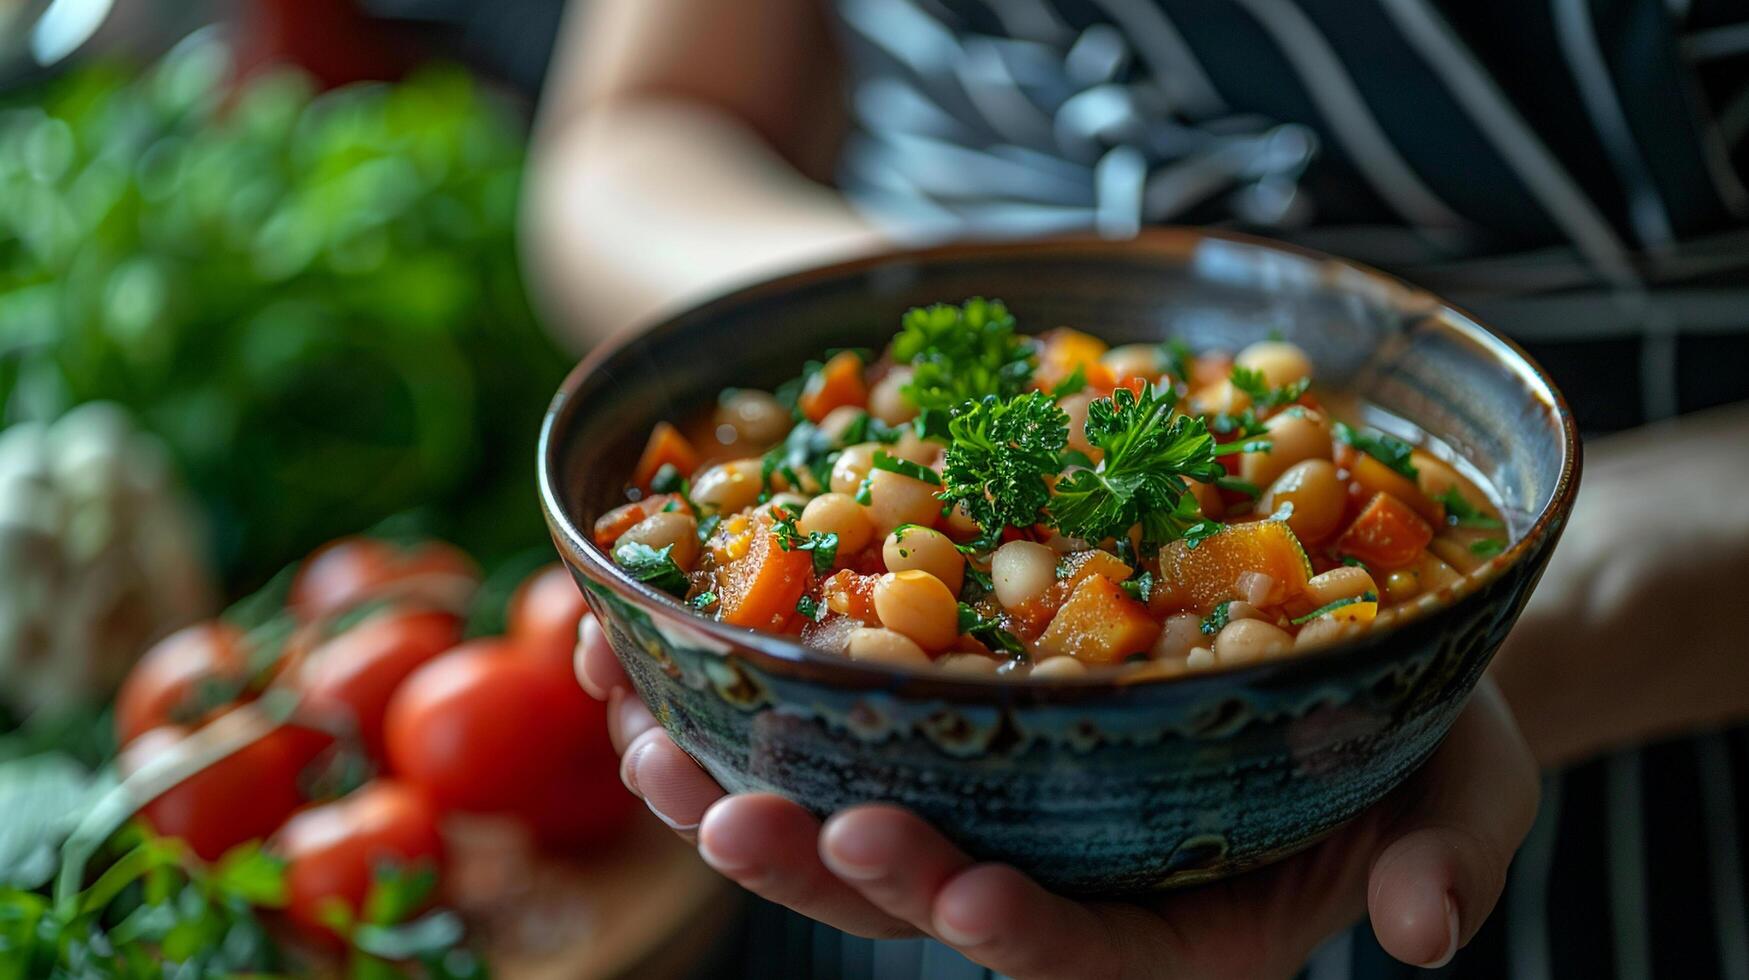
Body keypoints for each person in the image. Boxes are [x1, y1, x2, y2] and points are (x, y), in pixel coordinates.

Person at [524, 0, 1749, 976]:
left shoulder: (1317, 505)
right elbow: (636, 133)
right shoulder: (886, 493)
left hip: (1666, 758)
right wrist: (886, 332)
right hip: (903, 810)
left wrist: (1504, 638)